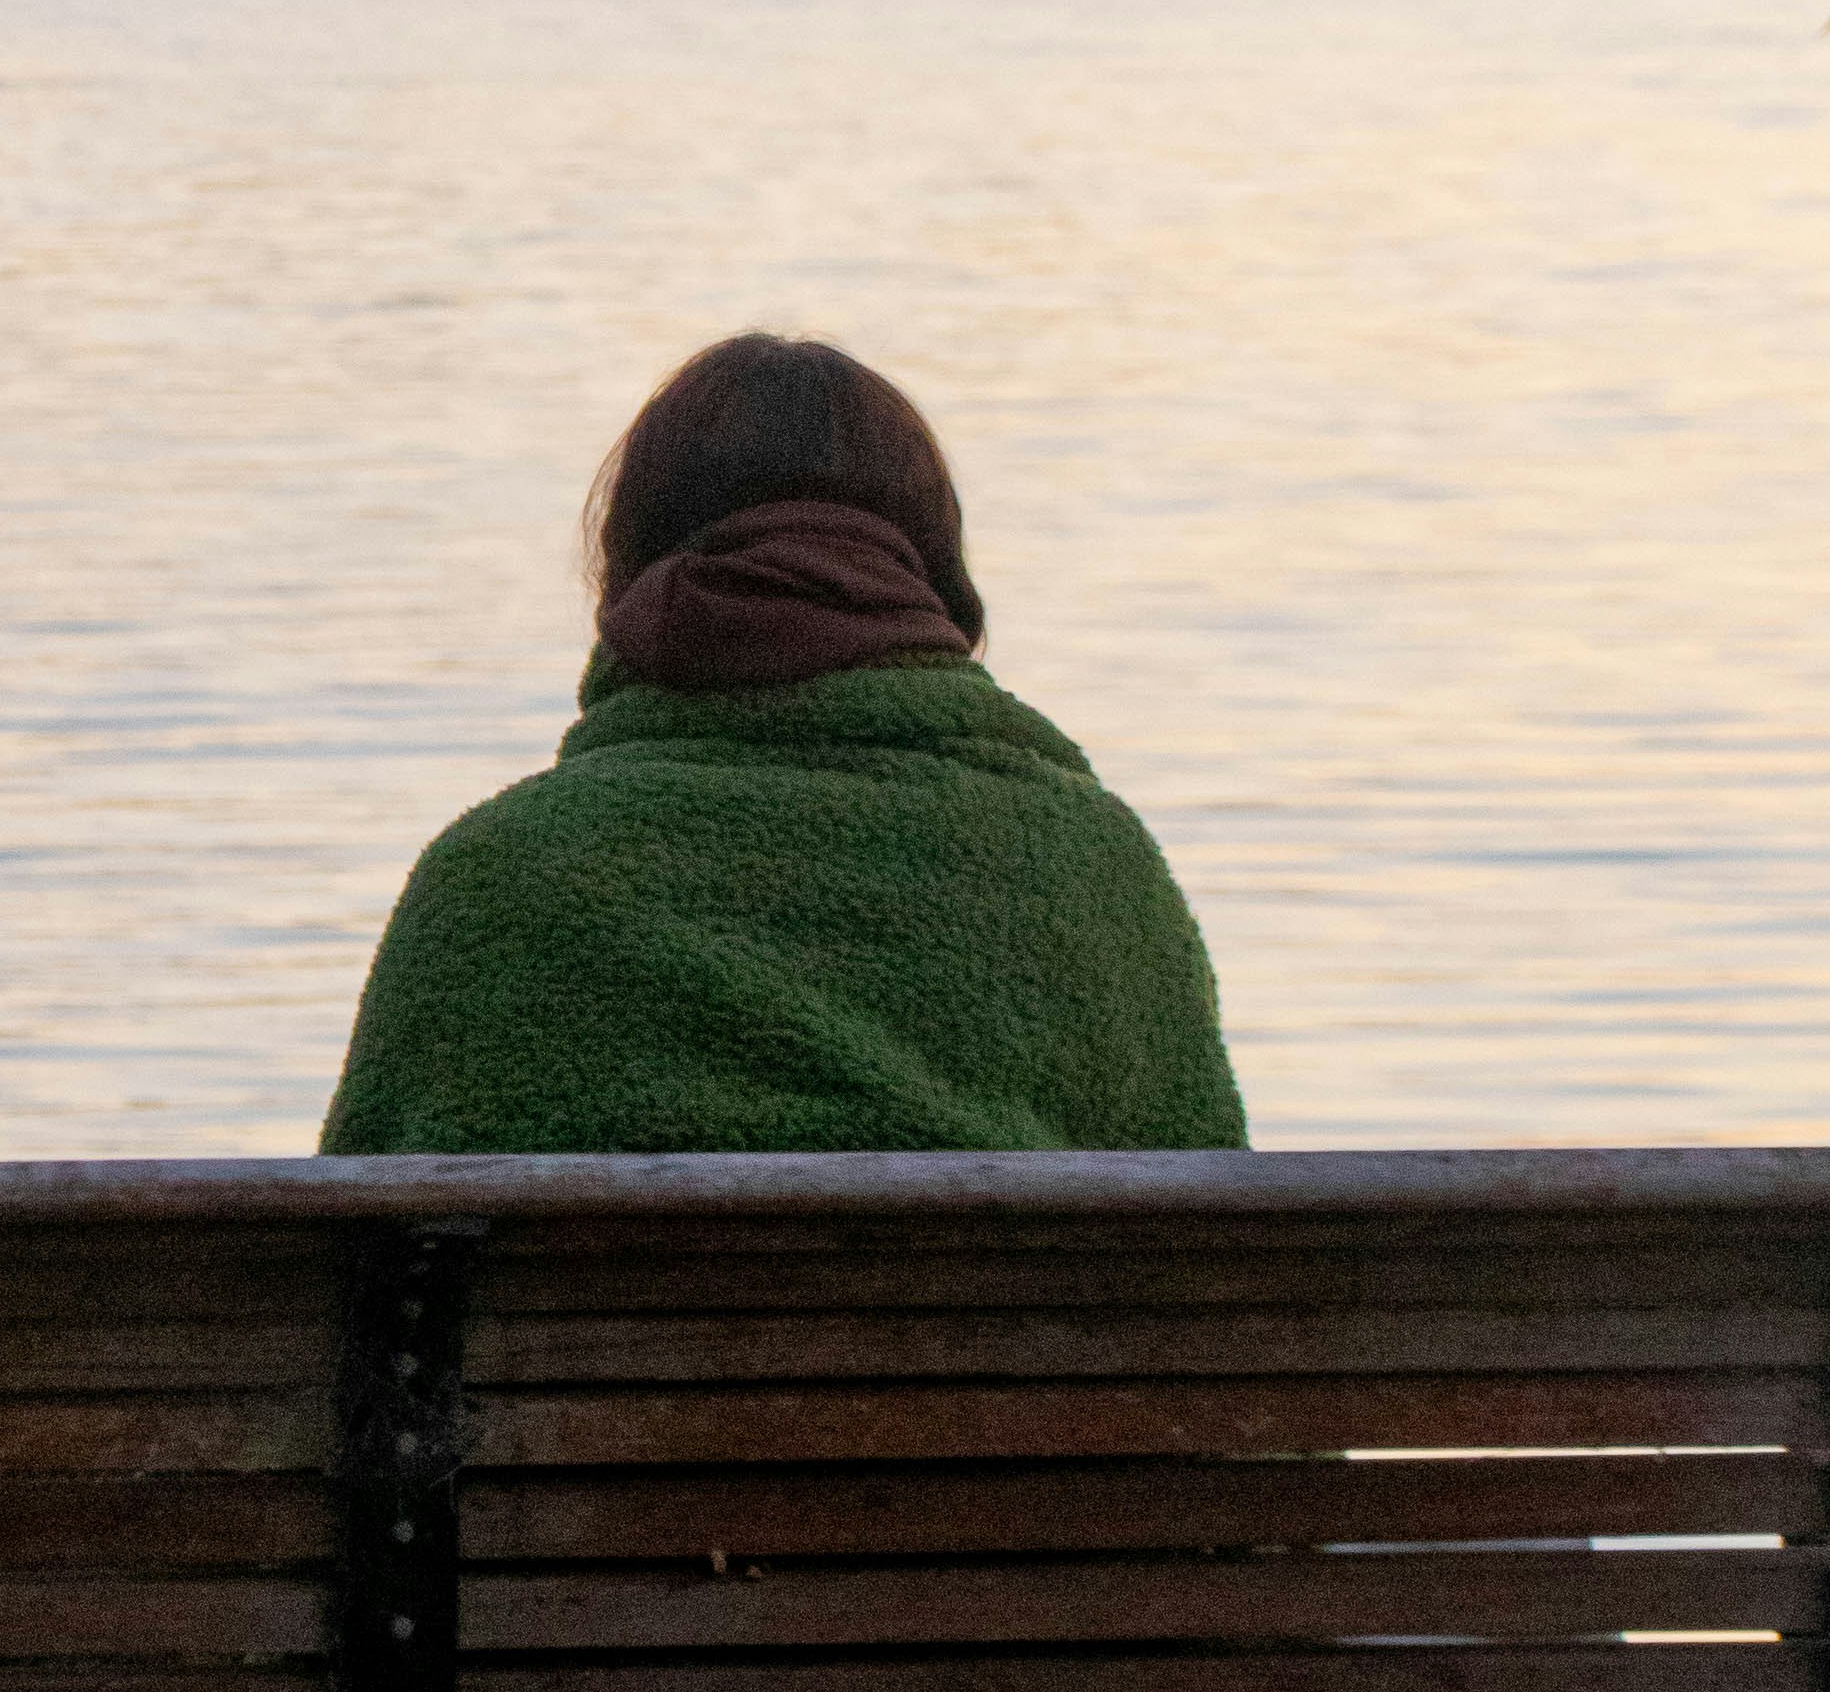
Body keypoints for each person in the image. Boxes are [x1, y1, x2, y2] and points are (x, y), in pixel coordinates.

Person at [320, 329, 1244, 1154]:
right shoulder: (1095, 870)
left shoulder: (497, 878)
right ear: (929, 575)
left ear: (631, 572)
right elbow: (1212, 1260)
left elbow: (348, 1254)